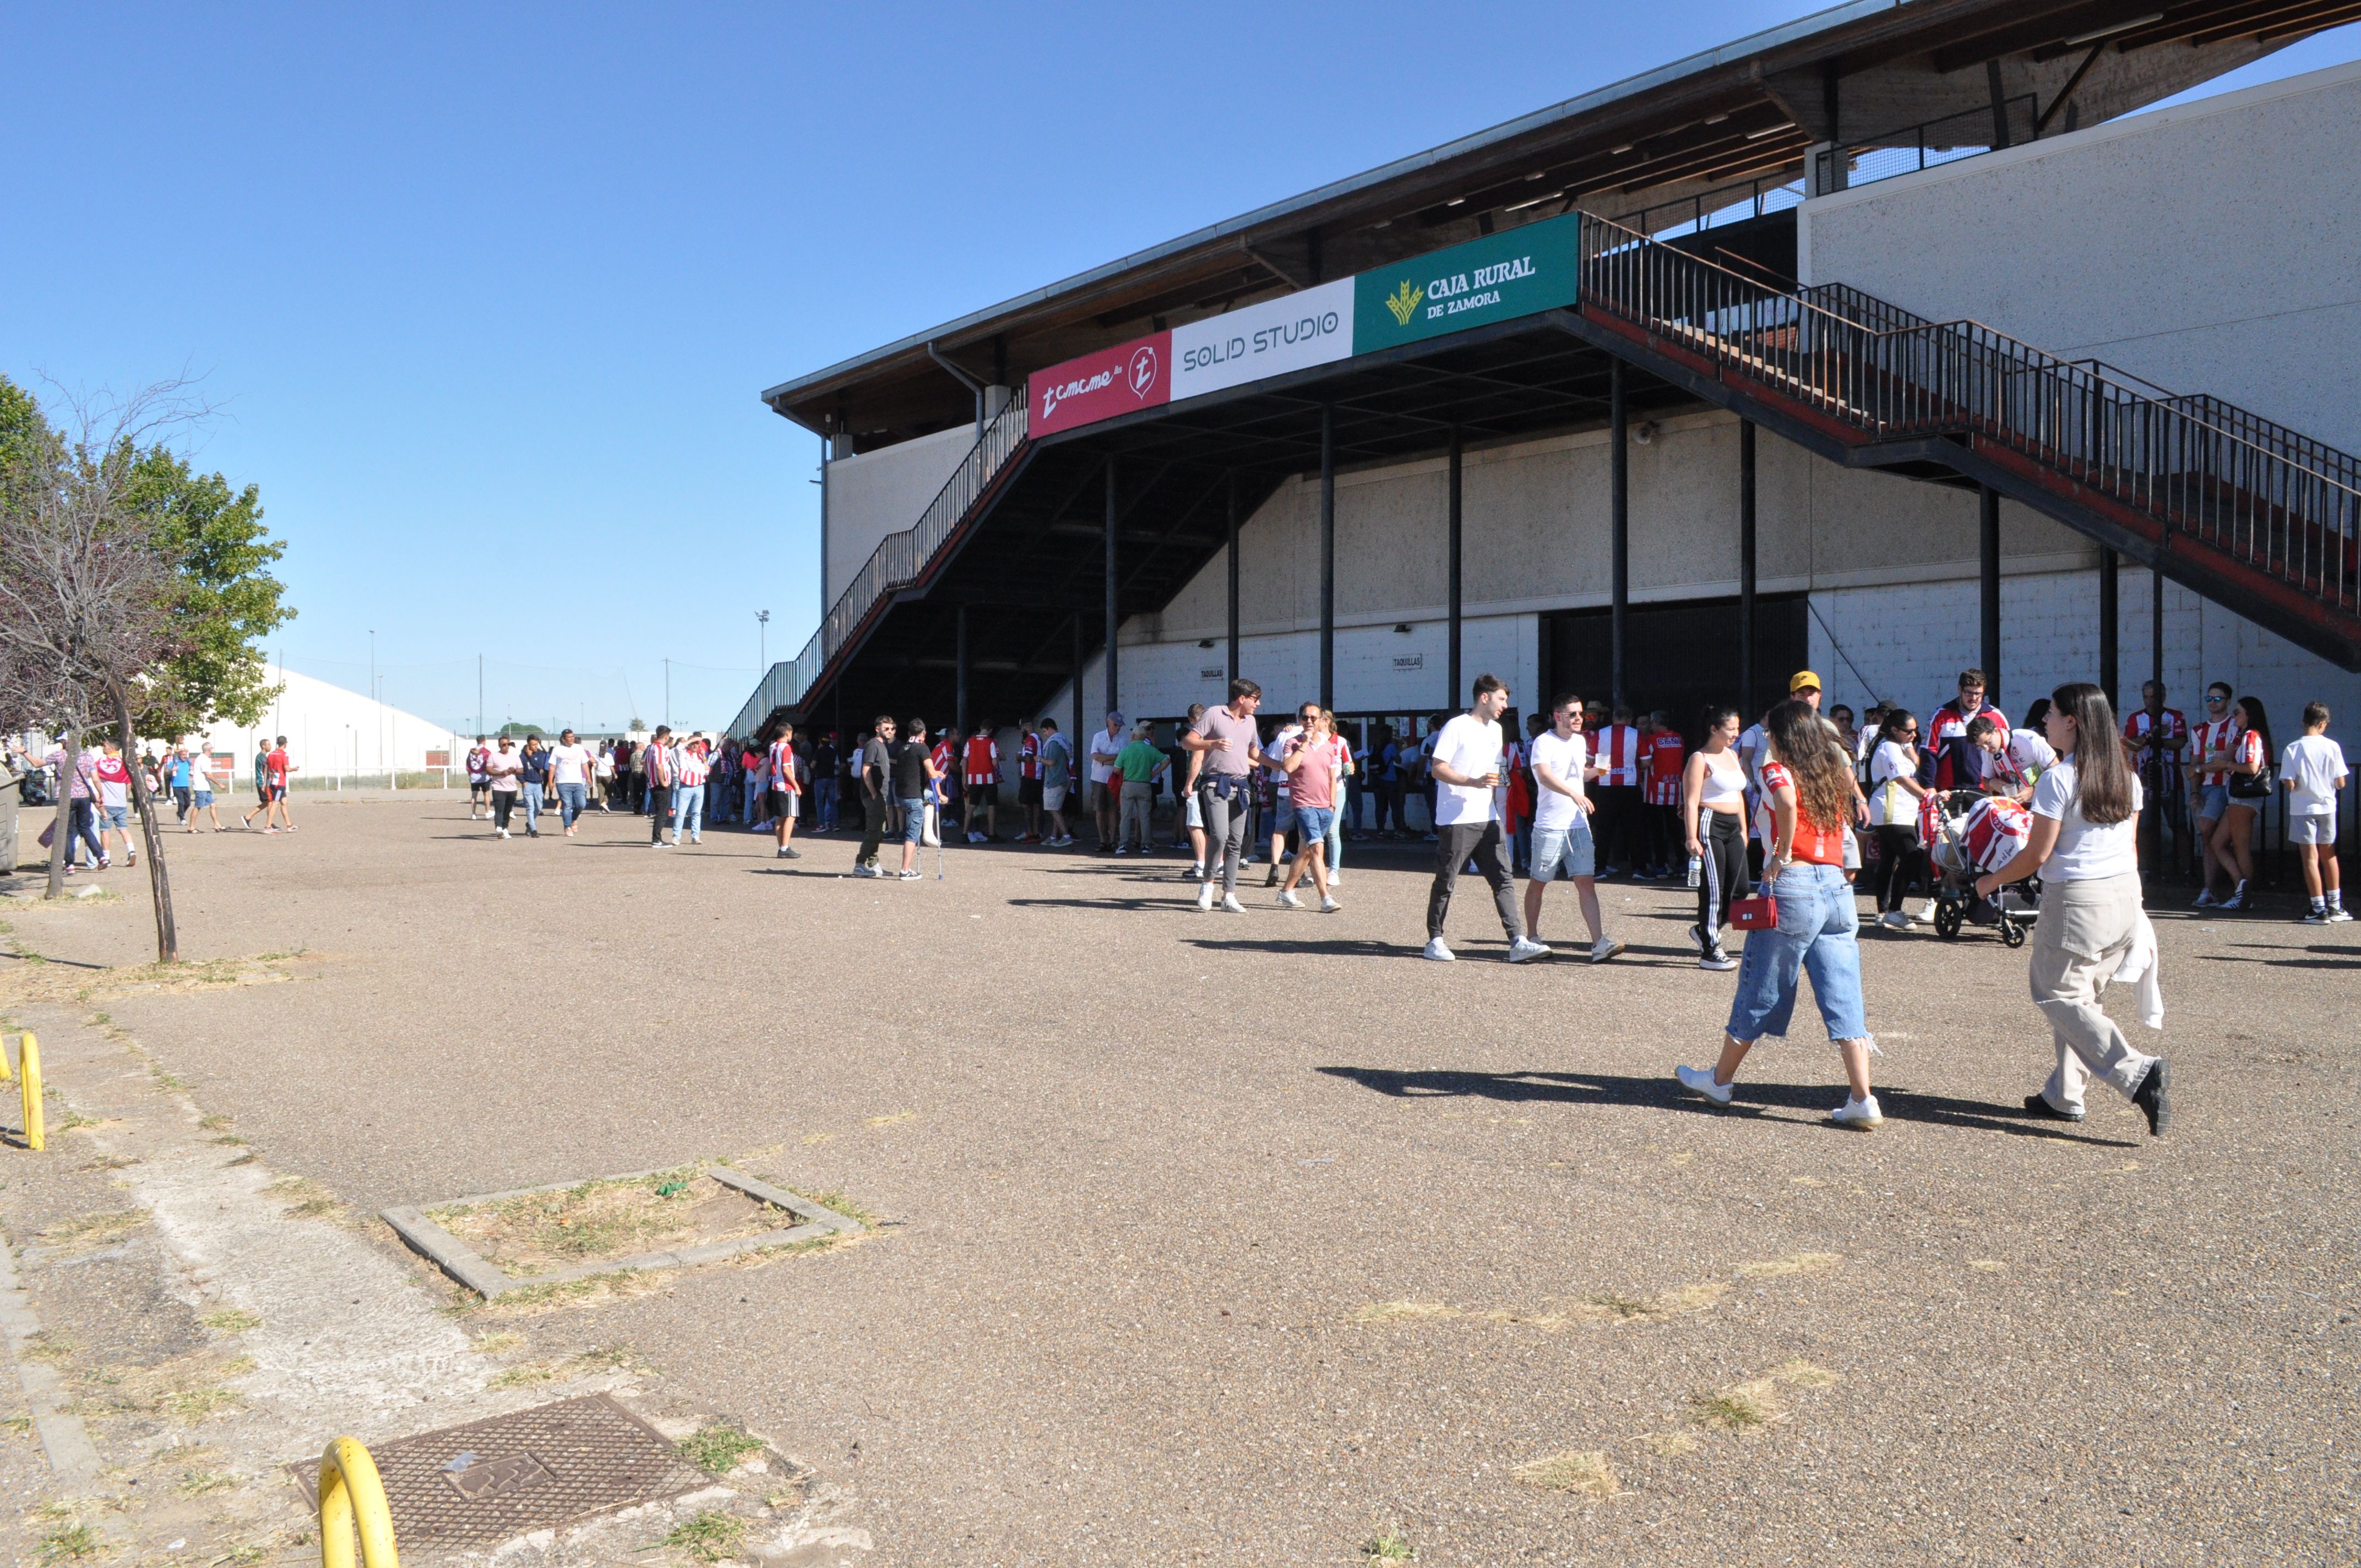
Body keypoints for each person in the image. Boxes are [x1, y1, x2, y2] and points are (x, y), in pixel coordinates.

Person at [1676, 698, 1881, 1127]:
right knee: (1843, 996)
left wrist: (1781, 854)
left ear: (1785, 737)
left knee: (1758, 986)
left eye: (1771, 732)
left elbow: (1785, 803)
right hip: (1837, 891)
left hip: (1795, 885)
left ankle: (1720, 1080)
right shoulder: (1829, 771)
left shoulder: (1776, 767)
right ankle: (1863, 1097)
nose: (1766, 737)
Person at [1976, 682, 2170, 1136]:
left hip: (2079, 899)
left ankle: (2136, 1071)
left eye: (2051, 714)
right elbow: (2133, 847)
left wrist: (1989, 882)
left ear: (2073, 722)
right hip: (2124, 892)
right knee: (2083, 998)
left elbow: (2035, 855)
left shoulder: (2059, 778)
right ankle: (2065, 1094)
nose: (2043, 721)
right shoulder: (2127, 775)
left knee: (2056, 994)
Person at [1423, 676, 1549, 963]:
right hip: (1456, 818)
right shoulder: (1456, 726)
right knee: (1447, 879)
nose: (1505, 705)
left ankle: (1517, 941)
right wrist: (1472, 781)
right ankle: (1435, 940)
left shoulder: (1496, 730)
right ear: (1484, 697)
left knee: (1503, 878)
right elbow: (1437, 769)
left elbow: (1494, 771)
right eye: (1501, 699)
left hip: (1489, 817)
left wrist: (1499, 782)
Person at [1525, 693, 1625, 963]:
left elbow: (1578, 772)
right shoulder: (1543, 742)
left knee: (1586, 882)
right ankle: (1532, 938)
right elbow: (1544, 776)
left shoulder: (1580, 742)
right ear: (1557, 717)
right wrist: (1574, 794)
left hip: (1578, 824)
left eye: (1581, 713)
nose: (1579, 718)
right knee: (1538, 883)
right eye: (1573, 714)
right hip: (1550, 826)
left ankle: (1598, 943)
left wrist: (1595, 773)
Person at [1184, 679, 1267, 912]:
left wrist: (1278, 765)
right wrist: (1213, 743)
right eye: (1255, 699)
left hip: (1241, 786)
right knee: (1219, 835)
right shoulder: (1214, 714)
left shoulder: (1250, 721)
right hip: (1215, 784)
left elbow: (1254, 752)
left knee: (1235, 843)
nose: (1258, 704)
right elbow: (1188, 742)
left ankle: (1229, 895)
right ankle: (1208, 883)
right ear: (1242, 698)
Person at [1682, 705, 1749, 970]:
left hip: (1733, 826)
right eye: (1730, 729)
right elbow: (1691, 801)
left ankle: (1703, 930)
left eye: (1737, 728)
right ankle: (1710, 948)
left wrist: (1743, 830)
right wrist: (1691, 837)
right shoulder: (1699, 759)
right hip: (1709, 824)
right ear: (1714, 729)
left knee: (1740, 887)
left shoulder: (1733, 755)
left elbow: (1738, 795)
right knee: (1714, 887)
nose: (1735, 733)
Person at [1268, 704, 1343, 912]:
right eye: (1305, 718)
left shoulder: (1329, 746)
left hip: (1325, 806)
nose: (1309, 721)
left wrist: (1332, 805)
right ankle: (1325, 898)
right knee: (1317, 848)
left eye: (1313, 718)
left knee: (1306, 852)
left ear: (1322, 721)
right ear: (1300, 720)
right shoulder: (1292, 743)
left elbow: (1332, 778)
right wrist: (1305, 743)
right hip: (1303, 804)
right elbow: (1289, 767)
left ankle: (1286, 892)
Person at [2282, 702, 2350, 923]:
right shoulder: (2332, 747)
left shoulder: (2293, 748)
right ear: (2323, 724)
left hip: (2303, 808)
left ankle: (2317, 908)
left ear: (2304, 722)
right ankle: (2335, 906)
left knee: (2309, 858)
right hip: (2328, 807)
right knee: (2329, 854)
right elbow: (2340, 782)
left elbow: (2290, 783)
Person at [2205, 696, 2273, 911]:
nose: (2234, 716)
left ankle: (2244, 895)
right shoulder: (2243, 735)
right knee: (2218, 842)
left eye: (2237, 712)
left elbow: (2252, 768)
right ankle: (2240, 886)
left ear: (2248, 716)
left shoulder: (2252, 735)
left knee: (2241, 846)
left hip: (2245, 798)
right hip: (2237, 797)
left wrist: (2227, 764)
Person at [1866, 709, 1930, 930]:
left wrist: (1912, 750)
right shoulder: (1889, 747)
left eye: (1916, 731)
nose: (1914, 735)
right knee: (1912, 856)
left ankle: (1883, 911)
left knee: (1889, 859)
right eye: (1909, 731)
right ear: (1894, 730)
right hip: (1892, 810)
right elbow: (1901, 779)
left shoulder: (1901, 746)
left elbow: (1916, 767)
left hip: (1901, 810)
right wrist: (1926, 795)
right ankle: (1894, 910)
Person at [1925, 669, 2008, 793]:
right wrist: (1929, 787)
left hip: (1986, 789)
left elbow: (2007, 751)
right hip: (1949, 790)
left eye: (1978, 694)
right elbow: (1929, 752)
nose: (1974, 698)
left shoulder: (1995, 716)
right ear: (1960, 689)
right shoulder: (1941, 715)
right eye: (1969, 693)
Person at [1587, 704, 1643, 878]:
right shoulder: (1637, 734)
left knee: (1604, 830)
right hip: (1630, 786)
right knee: (1633, 829)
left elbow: (1589, 760)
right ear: (1630, 719)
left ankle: (1600, 868)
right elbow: (1647, 762)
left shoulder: (1600, 734)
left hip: (1605, 786)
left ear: (1613, 718)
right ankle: (1638, 869)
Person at [1968, 713, 2055, 806]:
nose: (1986, 749)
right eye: (1981, 746)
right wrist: (1992, 783)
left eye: (1988, 742)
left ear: (1996, 731)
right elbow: (1986, 785)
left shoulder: (2025, 739)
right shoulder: (1986, 753)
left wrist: (2033, 790)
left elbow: (2056, 768)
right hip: (2017, 805)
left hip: (2045, 799)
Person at [893, 717, 938, 881]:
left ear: (909, 732)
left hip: (902, 794)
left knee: (911, 828)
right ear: (924, 733)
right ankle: (905, 870)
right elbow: (931, 772)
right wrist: (941, 793)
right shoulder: (922, 748)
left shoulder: (903, 748)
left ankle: (928, 833)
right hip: (914, 795)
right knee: (912, 834)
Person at [1111, 721, 1165, 854]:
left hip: (1129, 784)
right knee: (1145, 817)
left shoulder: (1126, 750)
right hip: (1145, 784)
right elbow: (1166, 760)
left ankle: (1123, 845)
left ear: (1134, 736)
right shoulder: (1150, 750)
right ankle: (1146, 845)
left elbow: (1116, 770)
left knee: (1125, 816)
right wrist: (1154, 773)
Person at [1643, 711, 1686, 880]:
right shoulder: (1679, 739)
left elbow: (1646, 762)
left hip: (1655, 792)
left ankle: (1661, 866)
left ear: (1655, 723)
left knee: (1658, 831)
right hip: (1676, 789)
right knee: (1677, 830)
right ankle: (1682, 864)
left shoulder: (1652, 740)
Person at [853, 716, 895, 876]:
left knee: (880, 831)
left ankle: (873, 863)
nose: (889, 731)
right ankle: (859, 864)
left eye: (891, 728)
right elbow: (866, 770)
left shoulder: (883, 746)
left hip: (881, 795)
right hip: (874, 796)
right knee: (874, 831)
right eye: (886, 728)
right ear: (877, 728)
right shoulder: (873, 745)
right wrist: (873, 794)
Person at [94, 743, 137, 868]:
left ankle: (106, 858)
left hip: (107, 804)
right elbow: (129, 784)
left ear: (111, 748)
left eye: (105, 745)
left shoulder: (101, 762)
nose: (103, 746)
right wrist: (125, 797)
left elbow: (94, 776)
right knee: (123, 828)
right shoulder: (125, 764)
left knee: (105, 831)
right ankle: (131, 850)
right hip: (121, 803)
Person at [1087, 713, 1125, 851]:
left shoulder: (1123, 740)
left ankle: (1113, 840)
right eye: (1116, 725)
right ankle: (1103, 840)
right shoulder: (1098, 736)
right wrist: (1113, 758)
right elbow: (1096, 757)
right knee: (1100, 810)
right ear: (1108, 722)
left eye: (1119, 726)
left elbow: (1122, 760)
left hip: (1114, 779)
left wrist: (1105, 759)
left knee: (1113, 810)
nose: (1118, 728)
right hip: (1098, 778)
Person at [765, 723, 803, 859]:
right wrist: (796, 786)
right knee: (791, 815)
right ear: (788, 733)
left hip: (776, 784)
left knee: (780, 817)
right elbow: (787, 769)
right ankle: (785, 847)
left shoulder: (772, 746)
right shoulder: (786, 747)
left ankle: (781, 846)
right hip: (786, 786)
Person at [548, 728, 594, 836]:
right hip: (563, 783)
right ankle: (567, 827)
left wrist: (589, 777)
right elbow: (552, 767)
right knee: (567, 805)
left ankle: (574, 819)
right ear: (564, 739)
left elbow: (585, 764)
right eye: (569, 737)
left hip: (578, 782)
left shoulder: (579, 748)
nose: (572, 738)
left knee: (581, 804)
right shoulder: (557, 750)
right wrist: (551, 782)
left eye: (573, 736)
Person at [1038, 717, 1075, 847]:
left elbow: (1051, 762)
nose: (1045, 734)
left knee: (1053, 809)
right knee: (1056, 808)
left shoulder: (1054, 743)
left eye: (1045, 731)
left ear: (1050, 729)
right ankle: (1054, 836)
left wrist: (1039, 759)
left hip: (1054, 780)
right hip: (1062, 778)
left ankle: (1066, 836)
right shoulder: (1063, 740)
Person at [963, 724, 1001, 843]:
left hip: (973, 778)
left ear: (980, 728)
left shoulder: (970, 741)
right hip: (989, 777)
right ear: (990, 730)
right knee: (991, 805)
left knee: (972, 805)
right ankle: (991, 834)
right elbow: (995, 762)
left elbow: (965, 759)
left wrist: (965, 777)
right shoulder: (991, 742)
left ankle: (964, 833)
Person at [483, 737, 524, 839]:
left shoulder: (515, 757)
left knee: (508, 810)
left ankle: (505, 828)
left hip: (512, 788)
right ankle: (498, 827)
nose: (506, 746)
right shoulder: (493, 756)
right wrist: (501, 773)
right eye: (504, 745)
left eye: (508, 744)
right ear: (499, 746)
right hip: (498, 787)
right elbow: (489, 770)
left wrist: (514, 770)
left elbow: (521, 770)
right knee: (499, 809)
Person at [643, 725, 677, 847]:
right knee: (663, 811)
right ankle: (656, 839)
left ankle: (657, 838)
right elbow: (659, 766)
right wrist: (663, 781)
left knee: (660, 810)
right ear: (666, 736)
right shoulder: (661, 749)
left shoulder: (651, 748)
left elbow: (645, 765)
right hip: (660, 784)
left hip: (653, 783)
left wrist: (650, 777)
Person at [674, 734, 710, 845]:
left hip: (699, 787)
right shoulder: (684, 754)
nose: (695, 745)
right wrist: (691, 740)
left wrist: (704, 757)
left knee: (697, 813)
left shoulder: (700, 756)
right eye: (693, 743)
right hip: (686, 786)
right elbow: (678, 748)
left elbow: (707, 770)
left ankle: (695, 836)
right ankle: (676, 836)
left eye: (698, 744)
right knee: (681, 812)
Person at [260, 737, 296, 832]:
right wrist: (295, 769)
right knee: (275, 804)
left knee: (284, 802)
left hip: (272, 781)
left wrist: (265, 783)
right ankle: (268, 827)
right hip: (280, 783)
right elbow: (287, 769)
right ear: (285, 743)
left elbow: (266, 769)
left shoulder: (271, 754)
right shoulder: (284, 755)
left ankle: (289, 825)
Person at [184, 745, 224, 832]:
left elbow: (209, 774)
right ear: (210, 750)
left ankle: (217, 825)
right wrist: (219, 784)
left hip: (205, 787)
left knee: (213, 804)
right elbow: (208, 774)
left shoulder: (204, 759)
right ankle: (191, 827)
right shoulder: (203, 759)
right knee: (198, 806)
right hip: (201, 787)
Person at [518, 734, 550, 838]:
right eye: (533, 745)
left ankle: (529, 824)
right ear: (528, 745)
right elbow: (518, 771)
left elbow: (540, 766)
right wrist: (523, 782)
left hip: (538, 784)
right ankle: (534, 830)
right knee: (530, 807)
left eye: (536, 744)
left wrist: (531, 756)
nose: (535, 746)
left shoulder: (540, 754)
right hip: (528, 784)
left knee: (539, 807)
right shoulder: (522, 756)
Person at [1016, 719, 1043, 842]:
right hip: (1037, 775)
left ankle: (1030, 831)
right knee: (1036, 804)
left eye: (1021, 729)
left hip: (1030, 775)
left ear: (1026, 726)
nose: (1021, 732)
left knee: (1025, 803)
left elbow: (1028, 759)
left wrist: (1019, 757)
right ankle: (1036, 832)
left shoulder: (1030, 739)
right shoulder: (1038, 738)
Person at [465, 737, 491, 819]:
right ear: (484, 741)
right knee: (486, 794)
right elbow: (489, 764)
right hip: (484, 777)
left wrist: (470, 774)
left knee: (474, 796)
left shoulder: (471, 751)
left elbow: (468, 763)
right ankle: (487, 812)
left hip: (474, 776)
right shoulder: (487, 752)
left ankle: (473, 814)